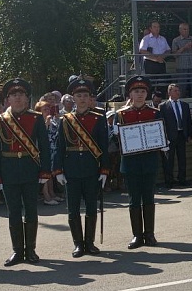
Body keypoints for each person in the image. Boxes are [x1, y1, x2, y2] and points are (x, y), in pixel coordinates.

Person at [0, 78, 52, 266]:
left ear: (26, 98)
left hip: (30, 169)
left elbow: (45, 148)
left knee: (31, 211)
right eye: (13, 95)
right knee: (13, 212)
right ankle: (17, 251)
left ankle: (30, 250)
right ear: (7, 99)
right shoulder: (0, 121)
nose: (17, 97)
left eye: (21, 94)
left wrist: (45, 172)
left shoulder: (36, 118)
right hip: (8, 171)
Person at [53, 78, 110, 258]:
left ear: (90, 98)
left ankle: (89, 242)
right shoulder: (66, 120)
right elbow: (59, 146)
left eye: (86, 95)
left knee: (92, 207)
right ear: (73, 98)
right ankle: (78, 243)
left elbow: (103, 146)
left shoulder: (99, 118)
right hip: (71, 169)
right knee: (73, 209)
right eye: (79, 95)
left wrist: (104, 170)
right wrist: (58, 170)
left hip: (91, 168)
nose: (83, 98)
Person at [115, 76, 162, 249]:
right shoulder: (121, 114)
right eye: (136, 91)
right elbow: (116, 138)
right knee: (134, 199)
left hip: (149, 161)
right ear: (130, 94)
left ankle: (149, 234)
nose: (140, 94)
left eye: (143, 91)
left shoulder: (155, 112)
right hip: (131, 163)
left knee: (149, 198)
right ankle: (137, 235)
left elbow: (160, 133)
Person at [159, 84, 192, 188]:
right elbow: (161, 123)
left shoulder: (184, 105)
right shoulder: (163, 106)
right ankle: (169, 180)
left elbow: (188, 121)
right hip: (169, 136)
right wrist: (163, 137)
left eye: (178, 90)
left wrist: (189, 134)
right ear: (169, 92)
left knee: (182, 158)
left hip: (181, 134)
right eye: (175, 91)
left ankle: (182, 179)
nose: (178, 92)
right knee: (169, 160)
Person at [171, 22, 192, 98]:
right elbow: (174, 55)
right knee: (182, 87)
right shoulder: (176, 40)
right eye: (184, 29)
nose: (186, 31)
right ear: (180, 30)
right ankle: (181, 101)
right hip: (181, 67)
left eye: (187, 29)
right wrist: (184, 48)